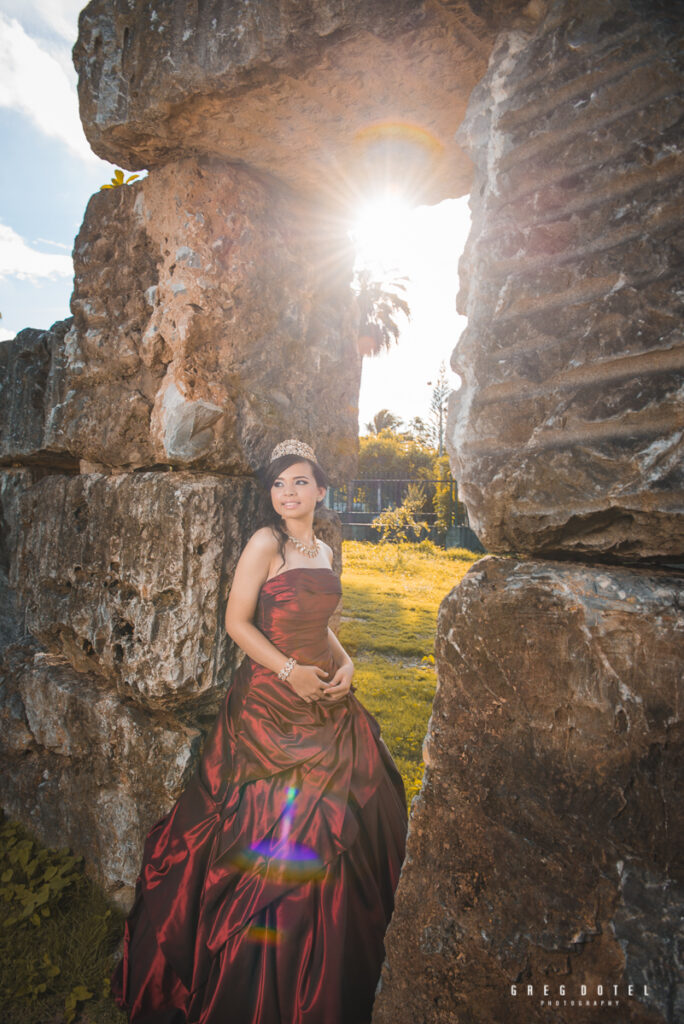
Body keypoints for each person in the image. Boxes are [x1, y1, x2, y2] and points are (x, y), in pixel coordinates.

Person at [111, 438, 408, 1024]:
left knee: (355, 809)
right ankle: (257, 981)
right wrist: (292, 672)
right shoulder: (265, 544)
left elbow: (322, 626)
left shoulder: (321, 549)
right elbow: (236, 622)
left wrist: (343, 663)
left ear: (321, 489)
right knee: (275, 830)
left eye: (299, 482)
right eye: (278, 485)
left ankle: (341, 968)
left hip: (322, 694)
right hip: (270, 705)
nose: (288, 493)